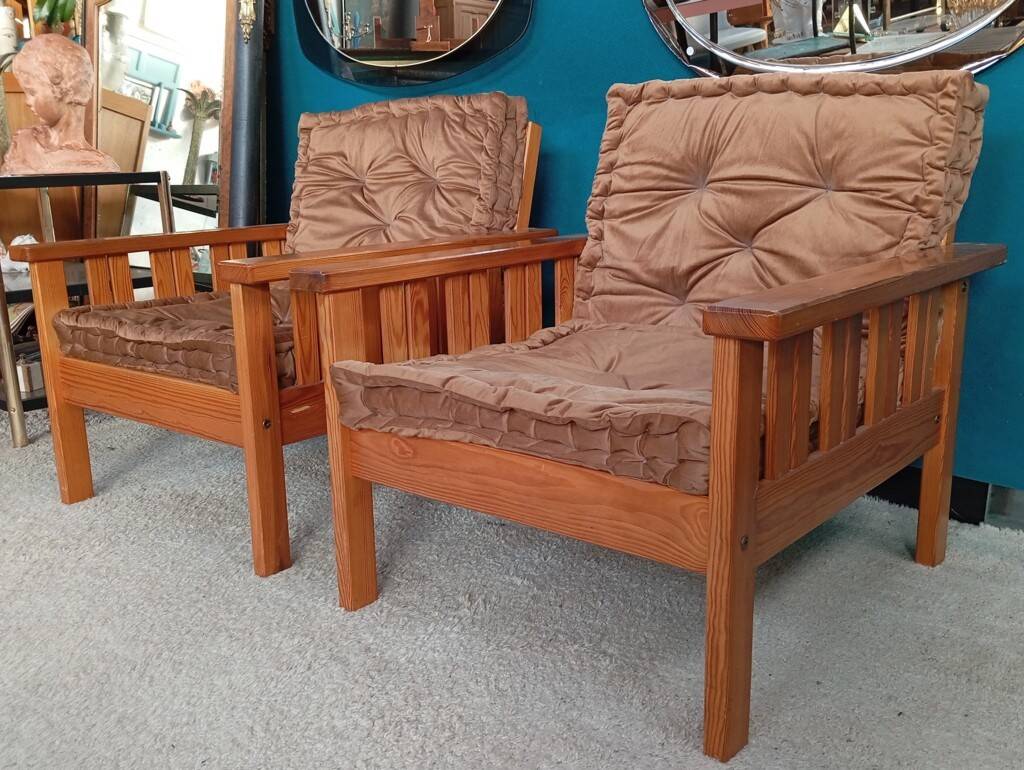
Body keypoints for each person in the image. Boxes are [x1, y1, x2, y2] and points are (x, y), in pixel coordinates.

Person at [0, 34, 118, 175]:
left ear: (64, 89)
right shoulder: (23, 144)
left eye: (32, 92)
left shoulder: (97, 163)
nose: (27, 102)